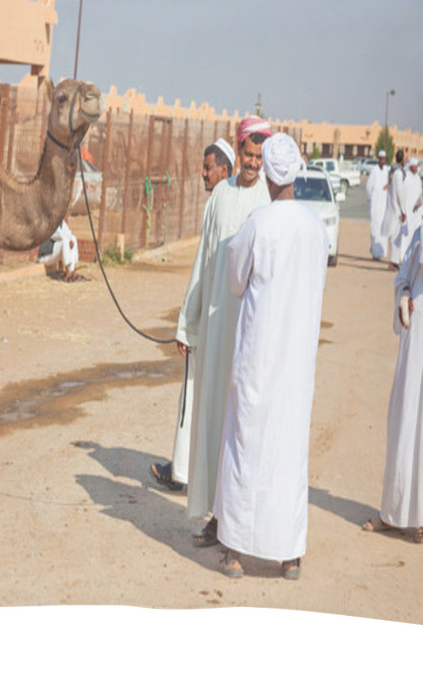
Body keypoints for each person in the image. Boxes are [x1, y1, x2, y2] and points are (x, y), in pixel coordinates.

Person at [212, 132, 328, 580]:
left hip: (258, 358)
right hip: (296, 364)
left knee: (246, 447)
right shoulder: (316, 229)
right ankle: (289, 555)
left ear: (269, 175)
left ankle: (236, 552)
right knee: (288, 451)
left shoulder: (259, 223)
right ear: (296, 171)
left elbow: (235, 279)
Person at [177, 116, 272, 545]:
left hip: (250, 333)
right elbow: (202, 262)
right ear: (239, 152)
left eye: (258, 157)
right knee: (214, 419)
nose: (252, 164)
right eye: (247, 155)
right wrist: (189, 323)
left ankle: (242, 521)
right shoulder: (220, 197)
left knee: (245, 424)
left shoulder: (271, 204)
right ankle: (216, 517)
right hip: (217, 328)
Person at [363, 163, 423, 544]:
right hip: (413, 344)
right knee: (403, 423)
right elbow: (406, 274)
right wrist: (402, 297)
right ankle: (393, 511)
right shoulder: (422, 230)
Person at [150, 138, 235, 491]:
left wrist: (187, 324)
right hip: (226, 320)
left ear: (224, 170)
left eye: (208, 168)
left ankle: (183, 471)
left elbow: (203, 269)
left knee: (193, 395)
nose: (203, 174)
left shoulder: (219, 204)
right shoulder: (232, 203)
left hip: (210, 322)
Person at [381, 149, 407, 269]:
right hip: (396, 209)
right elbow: (399, 192)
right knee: (396, 236)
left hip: (392, 207)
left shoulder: (392, 171)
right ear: (402, 160)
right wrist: (403, 211)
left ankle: (394, 261)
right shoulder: (398, 173)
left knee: (394, 235)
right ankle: (393, 261)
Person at [398, 157, 423, 261]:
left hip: (416, 213)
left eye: (417, 166)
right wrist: (403, 210)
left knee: (414, 233)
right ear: (410, 166)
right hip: (407, 211)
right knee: (405, 234)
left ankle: (410, 256)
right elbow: (402, 194)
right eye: (415, 166)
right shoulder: (406, 177)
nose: (416, 168)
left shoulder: (418, 178)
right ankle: (401, 256)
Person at [366, 149, 390, 260]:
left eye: (384, 159)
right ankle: (375, 254)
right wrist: (372, 200)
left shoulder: (387, 170)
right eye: (381, 159)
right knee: (375, 229)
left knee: (383, 229)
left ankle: (381, 253)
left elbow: (389, 185)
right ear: (378, 159)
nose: (383, 161)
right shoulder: (374, 171)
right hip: (375, 206)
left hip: (384, 206)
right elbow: (368, 187)